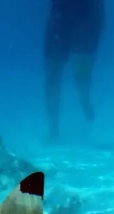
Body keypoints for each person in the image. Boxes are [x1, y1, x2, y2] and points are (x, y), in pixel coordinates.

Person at [44, 0, 105, 141]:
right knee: (53, 75)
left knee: (81, 70)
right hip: (61, 15)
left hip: (87, 13)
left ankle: (85, 99)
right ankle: (54, 129)